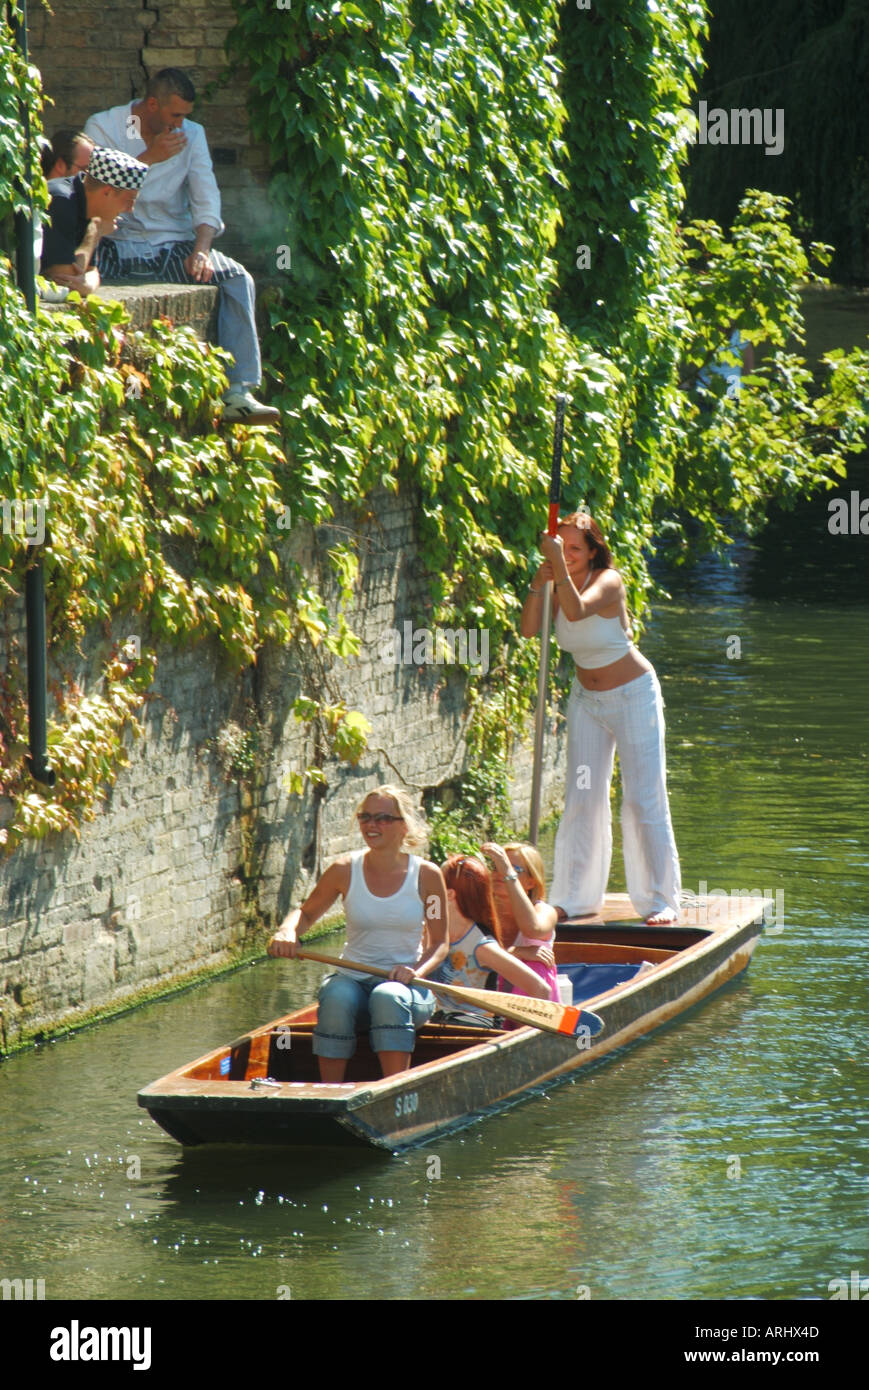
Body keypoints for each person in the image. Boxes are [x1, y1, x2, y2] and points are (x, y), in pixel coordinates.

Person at [85, 68, 279, 424]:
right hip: (112, 242)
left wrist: (202, 248)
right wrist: (149, 157)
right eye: (175, 115)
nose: (181, 124)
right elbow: (92, 188)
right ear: (153, 104)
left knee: (238, 279)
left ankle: (238, 392)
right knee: (69, 279)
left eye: (186, 116)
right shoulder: (107, 126)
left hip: (170, 244)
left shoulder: (192, 135)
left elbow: (206, 197)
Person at [521, 512, 681, 925]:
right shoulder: (557, 582)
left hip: (633, 698)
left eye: (576, 548)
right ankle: (574, 899)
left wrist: (556, 561)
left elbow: (575, 613)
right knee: (582, 797)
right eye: (563, 546)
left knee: (642, 799)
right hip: (587, 701)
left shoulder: (609, 581)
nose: (569, 555)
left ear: (593, 551)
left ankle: (660, 900)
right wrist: (540, 583)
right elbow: (527, 630)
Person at [267, 785, 448, 1081]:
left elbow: (440, 943)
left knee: (388, 997)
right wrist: (288, 931)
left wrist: (415, 970)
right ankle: (329, 1094)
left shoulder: (428, 876)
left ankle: (393, 1088)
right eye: (365, 817)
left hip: (407, 990)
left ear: (404, 826)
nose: (371, 825)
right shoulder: (343, 870)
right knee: (336, 996)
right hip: (352, 980)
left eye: (382, 818)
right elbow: (307, 913)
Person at [428, 854, 550, 1025]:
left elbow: (540, 989)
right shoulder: (433, 933)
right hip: (439, 1023)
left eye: (434, 885)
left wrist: (528, 1037)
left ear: (448, 894)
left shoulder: (481, 946)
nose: (426, 890)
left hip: (473, 1029)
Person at [40, 145, 149, 297]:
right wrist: (94, 233)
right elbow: (64, 278)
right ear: (107, 192)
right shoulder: (61, 200)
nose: (130, 209)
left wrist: (89, 284)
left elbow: (91, 272)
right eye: (129, 199)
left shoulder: (92, 210)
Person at [481, 841, 560, 1001]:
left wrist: (507, 872)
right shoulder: (482, 911)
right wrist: (516, 952)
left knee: (536, 966)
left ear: (531, 882)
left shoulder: (545, 911)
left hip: (533, 1004)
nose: (500, 873)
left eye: (513, 869)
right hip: (486, 997)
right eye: (496, 867)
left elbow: (532, 929)